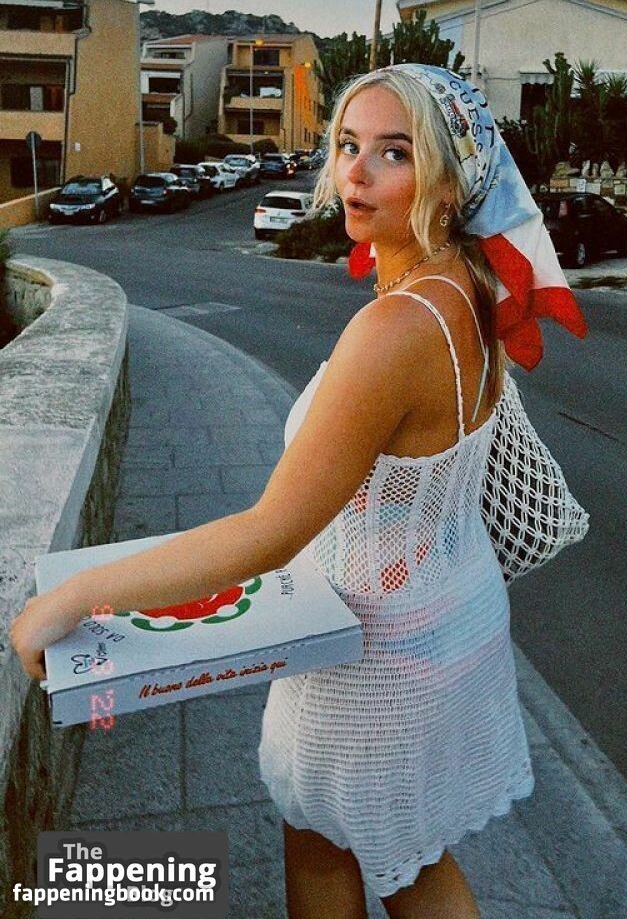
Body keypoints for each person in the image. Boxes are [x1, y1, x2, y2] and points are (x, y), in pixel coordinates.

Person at [11, 64, 587, 918]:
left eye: (395, 153)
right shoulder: (466, 287)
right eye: (349, 144)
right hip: (442, 615)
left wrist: (74, 596)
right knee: (399, 854)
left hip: (373, 651)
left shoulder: (397, 327)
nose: (356, 172)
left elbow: (271, 532)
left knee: (354, 848)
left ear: (449, 181)